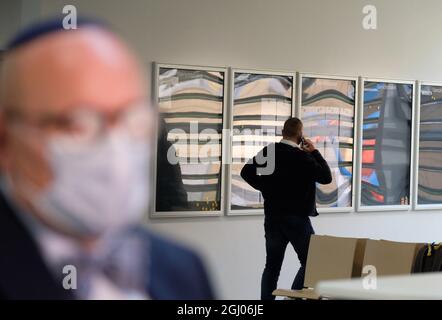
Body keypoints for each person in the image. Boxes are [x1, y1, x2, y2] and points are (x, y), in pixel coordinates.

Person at [0, 18, 214, 299]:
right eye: (78, 124)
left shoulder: (182, 268)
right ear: (6, 139)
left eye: (133, 121)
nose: (115, 150)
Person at [241, 117, 332, 300]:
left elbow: (246, 172)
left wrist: (265, 187)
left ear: (283, 132)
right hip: (297, 219)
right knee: (312, 262)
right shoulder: (303, 157)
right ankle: (291, 297)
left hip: (273, 218)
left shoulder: (270, 152)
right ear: (300, 136)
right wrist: (314, 152)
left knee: (272, 267)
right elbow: (326, 177)